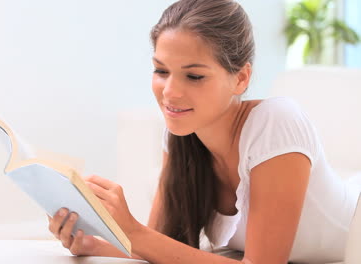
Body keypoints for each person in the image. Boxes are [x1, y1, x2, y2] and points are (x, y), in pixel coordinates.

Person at [47, 0, 361, 263]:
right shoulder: (180, 134)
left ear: (240, 78)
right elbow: (158, 245)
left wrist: (133, 230)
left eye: (194, 76)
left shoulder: (276, 123)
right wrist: (91, 243)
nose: (170, 92)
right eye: (161, 71)